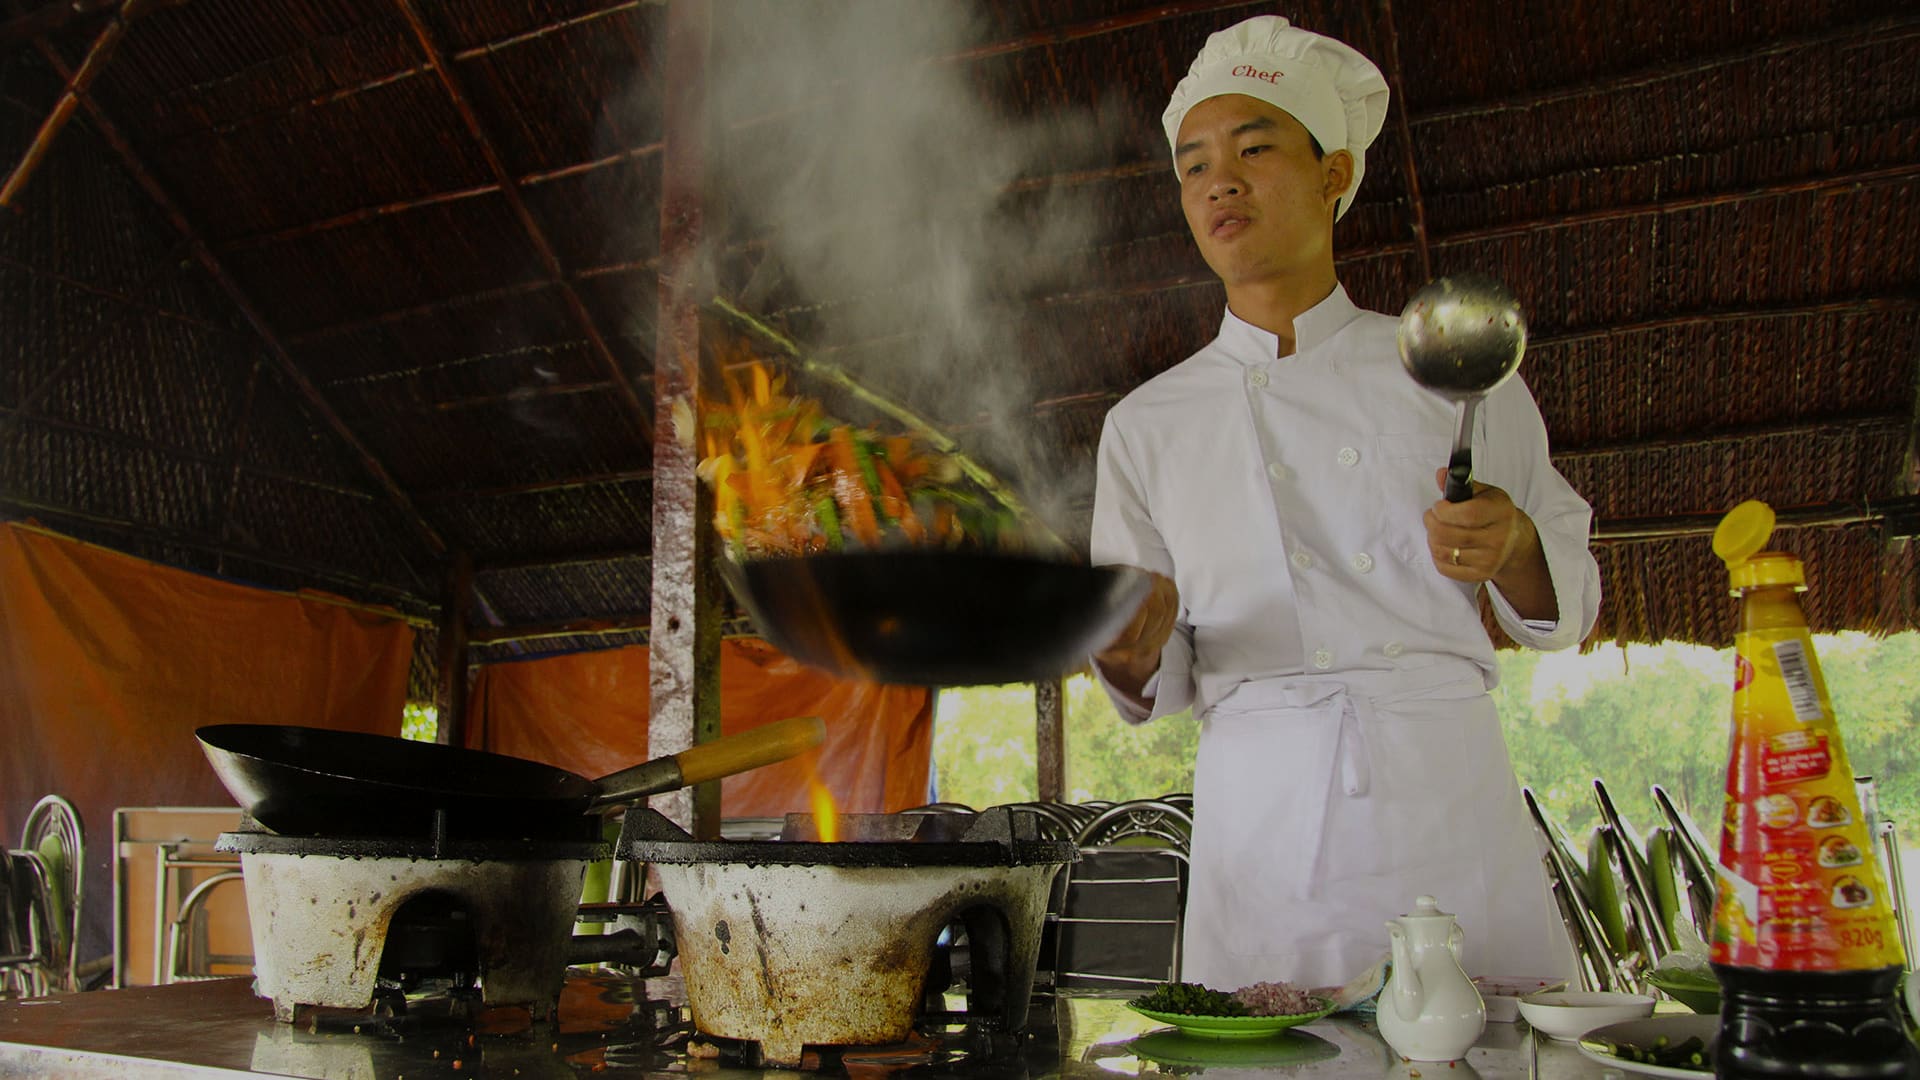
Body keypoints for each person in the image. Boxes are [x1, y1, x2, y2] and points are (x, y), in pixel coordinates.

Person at [1089, 14, 1602, 990]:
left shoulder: (1450, 370)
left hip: (1442, 797)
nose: (1219, 183)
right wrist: (1129, 649)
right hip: (1264, 830)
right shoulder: (1147, 425)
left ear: (1334, 174)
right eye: (1193, 166)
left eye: (1253, 147)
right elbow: (1156, 672)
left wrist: (1515, 543)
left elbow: (1561, 603)